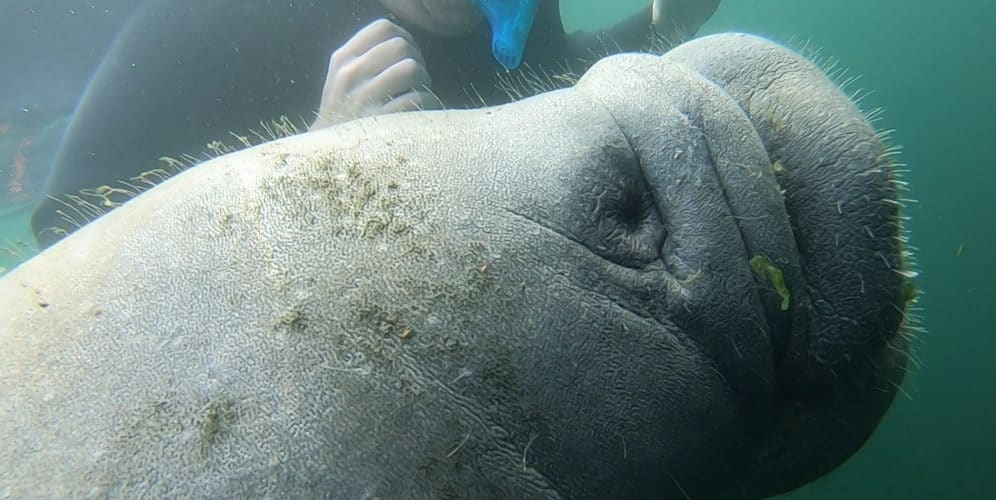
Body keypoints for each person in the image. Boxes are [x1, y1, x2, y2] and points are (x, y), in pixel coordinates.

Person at [31, 0, 720, 248]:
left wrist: (666, 23)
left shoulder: (519, 10)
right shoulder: (221, 16)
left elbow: (542, 87)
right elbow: (70, 230)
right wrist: (310, 166)